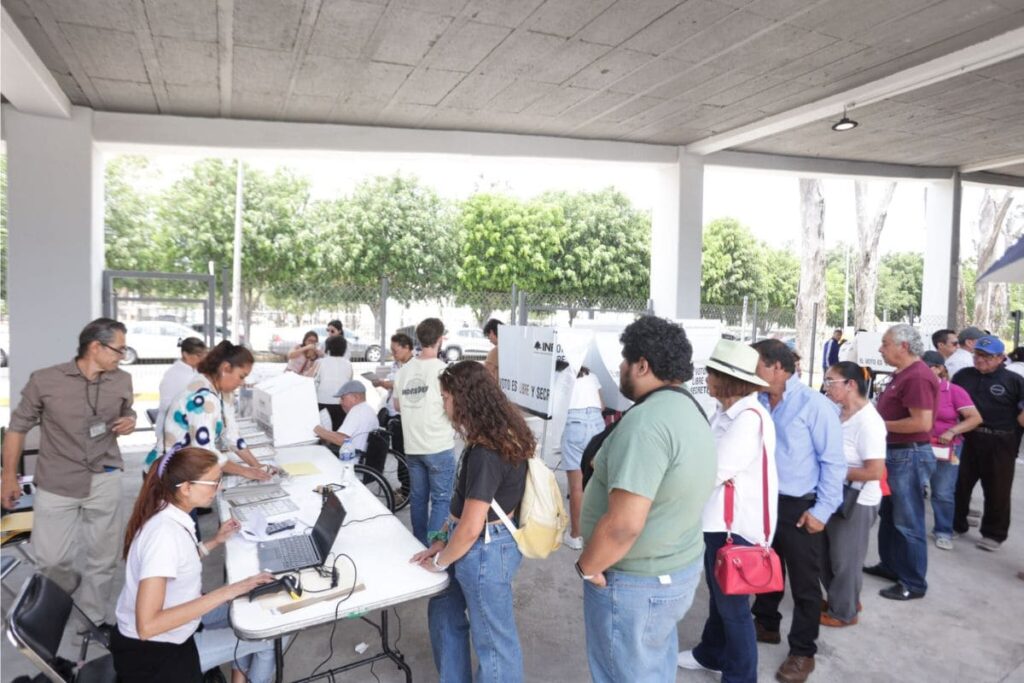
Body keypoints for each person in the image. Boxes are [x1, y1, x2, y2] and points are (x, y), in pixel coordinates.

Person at [578, 316, 716, 683]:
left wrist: (587, 567)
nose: (620, 368)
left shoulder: (647, 423)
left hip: (636, 583)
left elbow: (622, 525)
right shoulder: (689, 407)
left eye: (625, 360)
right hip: (674, 569)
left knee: (622, 673)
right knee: (651, 667)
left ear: (643, 365)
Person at [1, 318, 136, 630]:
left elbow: (127, 412)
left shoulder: (122, 380)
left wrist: (129, 419)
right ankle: (65, 586)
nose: (122, 355)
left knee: (103, 558)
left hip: (105, 474)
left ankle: (91, 621)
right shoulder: (45, 380)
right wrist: (8, 476)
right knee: (51, 560)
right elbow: (17, 428)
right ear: (95, 347)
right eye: (119, 349)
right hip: (57, 480)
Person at [111, 446, 277, 683]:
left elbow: (178, 563)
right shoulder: (164, 535)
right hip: (155, 655)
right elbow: (147, 625)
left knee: (248, 611)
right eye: (212, 483)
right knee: (269, 637)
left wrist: (215, 541)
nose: (217, 488)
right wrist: (229, 590)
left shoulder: (170, 515)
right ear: (186, 488)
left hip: (174, 627)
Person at [412, 361, 534, 683]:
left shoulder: (486, 452)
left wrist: (440, 560)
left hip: (483, 552)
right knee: (444, 611)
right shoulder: (500, 434)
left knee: (494, 644)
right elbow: (458, 520)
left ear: (465, 399)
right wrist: (441, 539)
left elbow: (470, 527)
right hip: (474, 547)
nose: (443, 404)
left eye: (446, 396)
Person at [678, 340, 776, 683]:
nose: (707, 377)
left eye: (712, 373)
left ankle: (741, 675)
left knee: (734, 608)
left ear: (728, 379)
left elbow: (716, 470)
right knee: (721, 599)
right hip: (718, 521)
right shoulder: (726, 412)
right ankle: (711, 653)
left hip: (735, 527)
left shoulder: (748, 419)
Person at [750, 339, 845, 683]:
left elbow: (834, 463)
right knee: (765, 568)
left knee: (805, 583)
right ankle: (765, 622)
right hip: (762, 500)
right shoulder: (757, 399)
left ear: (777, 367)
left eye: (756, 364)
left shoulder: (814, 405)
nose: (751, 371)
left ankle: (803, 652)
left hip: (799, 505)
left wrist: (822, 510)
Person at [865, 324, 938, 601]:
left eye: (885, 344)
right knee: (890, 516)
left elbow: (921, 422)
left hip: (907, 454)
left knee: (908, 521)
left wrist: (878, 425)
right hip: (895, 452)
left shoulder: (917, 376)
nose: (881, 350)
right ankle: (892, 565)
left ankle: (913, 581)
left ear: (903, 346)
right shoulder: (904, 374)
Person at [819, 362, 886, 627]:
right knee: (828, 554)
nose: (826, 387)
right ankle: (843, 599)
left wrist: (833, 470)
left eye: (831, 381)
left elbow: (874, 471)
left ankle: (844, 613)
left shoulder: (869, 422)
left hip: (856, 500)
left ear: (851, 384)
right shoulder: (838, 412)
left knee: (845, 559)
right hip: (834, 495)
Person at [158, 341, 272, 481]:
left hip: (187, 468)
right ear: (225, 368)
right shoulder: (204, 398)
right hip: (173, 473)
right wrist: (244, 471)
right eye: (241, 376)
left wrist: (257, 466)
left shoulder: (222, 391)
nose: (242, 383)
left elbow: (232, 435)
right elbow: (205, 452)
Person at [952, 335, 1024, 551]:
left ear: (1001, 357)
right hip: (967, 437)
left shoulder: (1014, 381)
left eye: (986, 356)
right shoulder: (963, 376)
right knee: (959, 484)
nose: (980, 360)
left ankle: (994, 534)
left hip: (1001, 440)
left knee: (998, 489)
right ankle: (956, 523)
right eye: (977, 355)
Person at [395, 318, 455, 545]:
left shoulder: (404, 370)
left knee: (419, 498)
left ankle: (419, 543)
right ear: (440, 339)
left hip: (413, 446)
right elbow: (452, 408)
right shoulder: (443, 370)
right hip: (438, 445)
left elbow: (397, 406)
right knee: (441, 500)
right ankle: (434, 547)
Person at [921, 351, 981, 551]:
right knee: (911, 490)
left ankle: (943, 530)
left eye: (928, 367)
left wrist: (952, 431)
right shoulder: (916, 389)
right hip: (917, 446)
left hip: (945, 447)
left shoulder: (954, 391)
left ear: (939, 368)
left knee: (943, 492)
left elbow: (974, 418)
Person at [561, 365, 604, 550]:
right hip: (597, 423)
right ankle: (597, 532)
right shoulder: (591, 375)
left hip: (574, 424)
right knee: (598, 482)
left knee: (577, 487)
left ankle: (576, 535)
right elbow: (602, 405)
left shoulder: (561, 376)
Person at [148, 337, 207, 468]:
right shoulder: (174, 375)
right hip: (174, 430)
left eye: (204, 355)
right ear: (185, 354)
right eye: (198, 355)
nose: (202, 358)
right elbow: (166, 405)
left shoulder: (194, 371)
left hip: (188, 430)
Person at [314, 380, 379, 454]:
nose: (340, 403)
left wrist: (318, 430)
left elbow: (342, 440)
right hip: (361, 456)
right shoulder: (368, 409)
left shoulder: (357, 411)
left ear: (355, 397)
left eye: (342, 398)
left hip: (352, 459)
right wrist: (326, 435)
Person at [316, 334, 353, 431]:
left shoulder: (320, 362)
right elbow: (349, 382)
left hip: (322, 401)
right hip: (341, 403)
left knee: (324, 432)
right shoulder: (348, 364)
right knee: (339, 431)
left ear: (328, 348)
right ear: (344, 349)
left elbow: (314, 380)